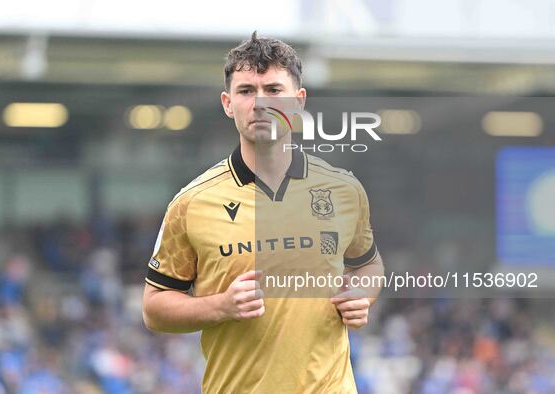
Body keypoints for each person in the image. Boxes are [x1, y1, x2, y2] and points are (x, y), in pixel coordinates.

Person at [142, 31, 385, 393]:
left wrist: (361, 296)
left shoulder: (344, 191)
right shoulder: (191, 203)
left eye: (273, 90)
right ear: (227, 103)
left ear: (299, 101)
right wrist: (220, 306)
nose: (260, 103)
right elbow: (154, 309)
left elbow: (368, 264)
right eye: (246, 91)